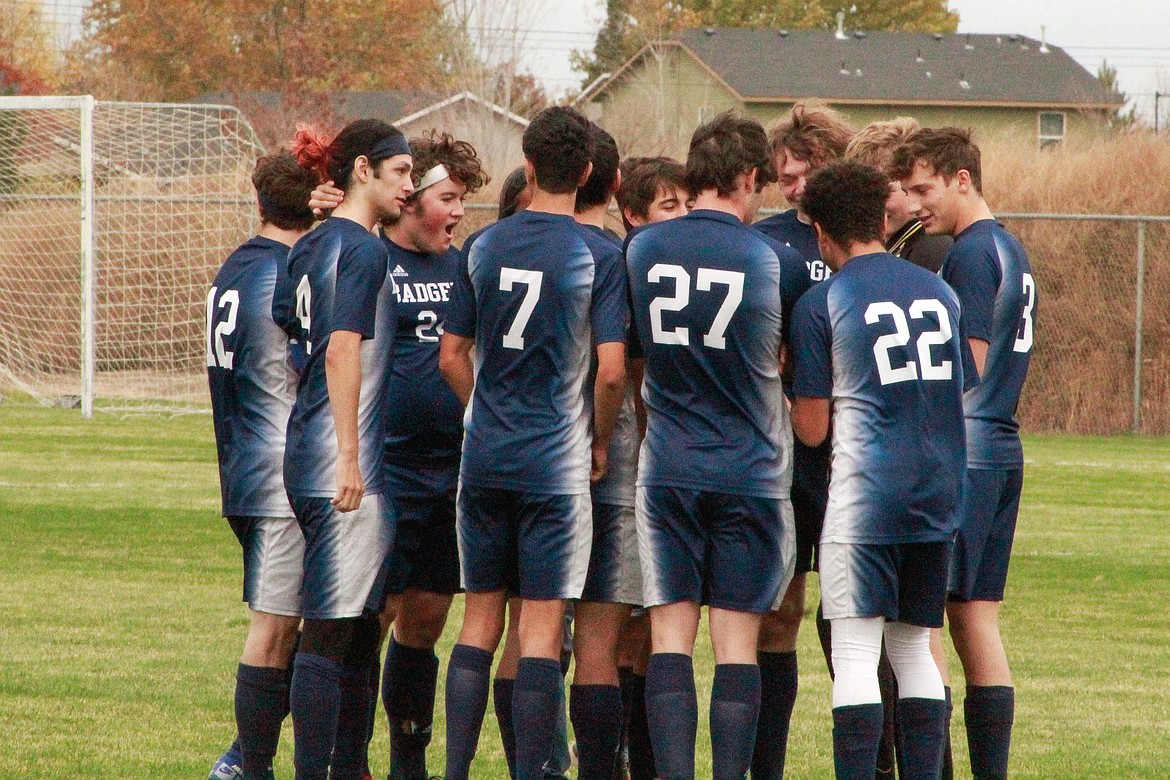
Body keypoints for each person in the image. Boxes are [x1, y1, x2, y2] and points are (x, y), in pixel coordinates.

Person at [438, 106, 629, 780]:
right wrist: (599, 442)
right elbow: (610, 372)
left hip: (486, 455)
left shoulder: (483, 246)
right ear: (583, 171)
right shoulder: (595, 255)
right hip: (554, 464)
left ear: (527, 164)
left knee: (480, 622)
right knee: (543, 629)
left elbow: (451, 354)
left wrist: (481, 410)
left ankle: (453, 769)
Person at [307, 130, 490, 780]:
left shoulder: (464, 266)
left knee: (429, 616)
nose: (457, 212)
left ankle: (408, 760)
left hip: (450, 475)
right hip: (386, 475)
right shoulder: (368, 255)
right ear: (408, 198)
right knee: (368, 619)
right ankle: (347, 760)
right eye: (448, 197)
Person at [625, 110, 801, 780]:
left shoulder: (640, 250)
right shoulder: (772, 260)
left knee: (669, 635)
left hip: (668, 464)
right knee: (736, 644)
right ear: (749, 176)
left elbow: (632, 355)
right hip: (750, 470)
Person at [789, 159, 975, 780]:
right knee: (915, 648)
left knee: (856, 651)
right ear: (881, 217)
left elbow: (812, 428)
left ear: (820, 232)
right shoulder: (941, 293)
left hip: (866, 499)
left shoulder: (824, 301)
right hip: (938, 493)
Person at [891, 127, 1037, 780]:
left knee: (929, 620)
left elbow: (966, 364)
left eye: (925, 189)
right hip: (1002, 449)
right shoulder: (1010, 246)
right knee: (975, 618)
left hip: (968, 454)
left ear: (961, 179)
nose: (918, 204)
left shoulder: (972, 253)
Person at [277, 119, 414, 780]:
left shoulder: (308, 243)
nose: (410, 189)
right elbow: (338, 348)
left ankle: (348, 767)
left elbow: (288, 323)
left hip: (307, 451)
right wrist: (351, 457)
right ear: (364, 169)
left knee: (359, 627)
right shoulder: (362, 249)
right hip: (339, 465)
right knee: (331, 629)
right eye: (402, 174)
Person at [844, 116, 957, 779]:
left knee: (913, 637)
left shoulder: (930, 257)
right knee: (911, 638)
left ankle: (924, 766)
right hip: (931, 470)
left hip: (907, 469)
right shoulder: (920, 254)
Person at [751, 101, 855, 780]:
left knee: (850, 615)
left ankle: (872, 755)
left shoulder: (868, 236)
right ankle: (767, 764)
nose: (794, 187)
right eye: (783, 177)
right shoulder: (767, 241)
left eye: (806, 172)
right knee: (779, 610)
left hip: (855, 454)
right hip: (787, 457)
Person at [205, 151, 318, 780]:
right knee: (274, 627)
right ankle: (245, 764)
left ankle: (249, 756)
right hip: (279, 472)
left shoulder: (236, 266)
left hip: (241, 464)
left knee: (300, 622)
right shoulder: (287, 274)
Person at [611, 153, 690, 780]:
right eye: (670, 206)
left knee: (646, 621)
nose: (684, 217)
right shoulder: (628, 268)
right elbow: (628, 372)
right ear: (633, 214)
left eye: (689, 204)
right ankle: (603, 747)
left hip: (663, 463)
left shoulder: (677, 266)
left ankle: (641, 753)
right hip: (623, 463)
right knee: (615, 620)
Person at [845, 118, 953, 274]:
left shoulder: (932, 250)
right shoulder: (893, 247)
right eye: (860, 194)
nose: (872, 204)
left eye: (886, 191)